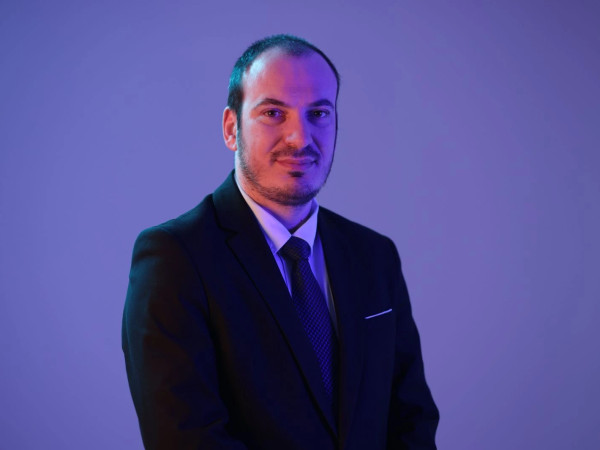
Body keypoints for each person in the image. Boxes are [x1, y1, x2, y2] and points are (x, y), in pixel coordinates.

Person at [122, 34, 439, 450]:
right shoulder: (175, 258)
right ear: (231, 128)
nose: (299, 138)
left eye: (318, 113)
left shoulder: (374, 256)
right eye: (273, 112)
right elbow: (186, 439)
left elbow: (411, 421)